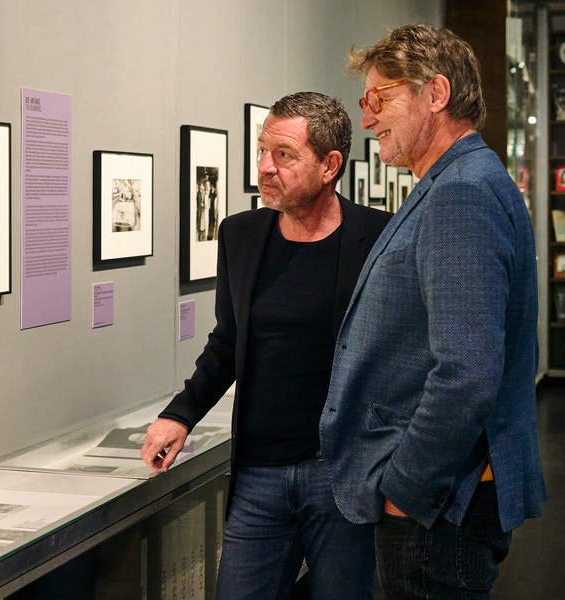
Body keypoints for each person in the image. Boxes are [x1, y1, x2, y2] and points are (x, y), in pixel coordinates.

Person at [319, 25, 547, 599]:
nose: (366, 118)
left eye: (379, 98)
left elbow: (467, 372)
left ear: (436, 93)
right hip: (446, 498)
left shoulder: (460, 192)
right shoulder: (461, 179)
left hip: (440, 506)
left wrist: (406, 489)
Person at [141, 92, 392, 600]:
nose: (264, 167)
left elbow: (397, 356)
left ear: (330, 165)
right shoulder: (241, 234)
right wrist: (181, 414)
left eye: (284, 154)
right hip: (259, 473)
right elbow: (228, 341)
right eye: (262, 151)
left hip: (341, 472)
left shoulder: (379, 236)